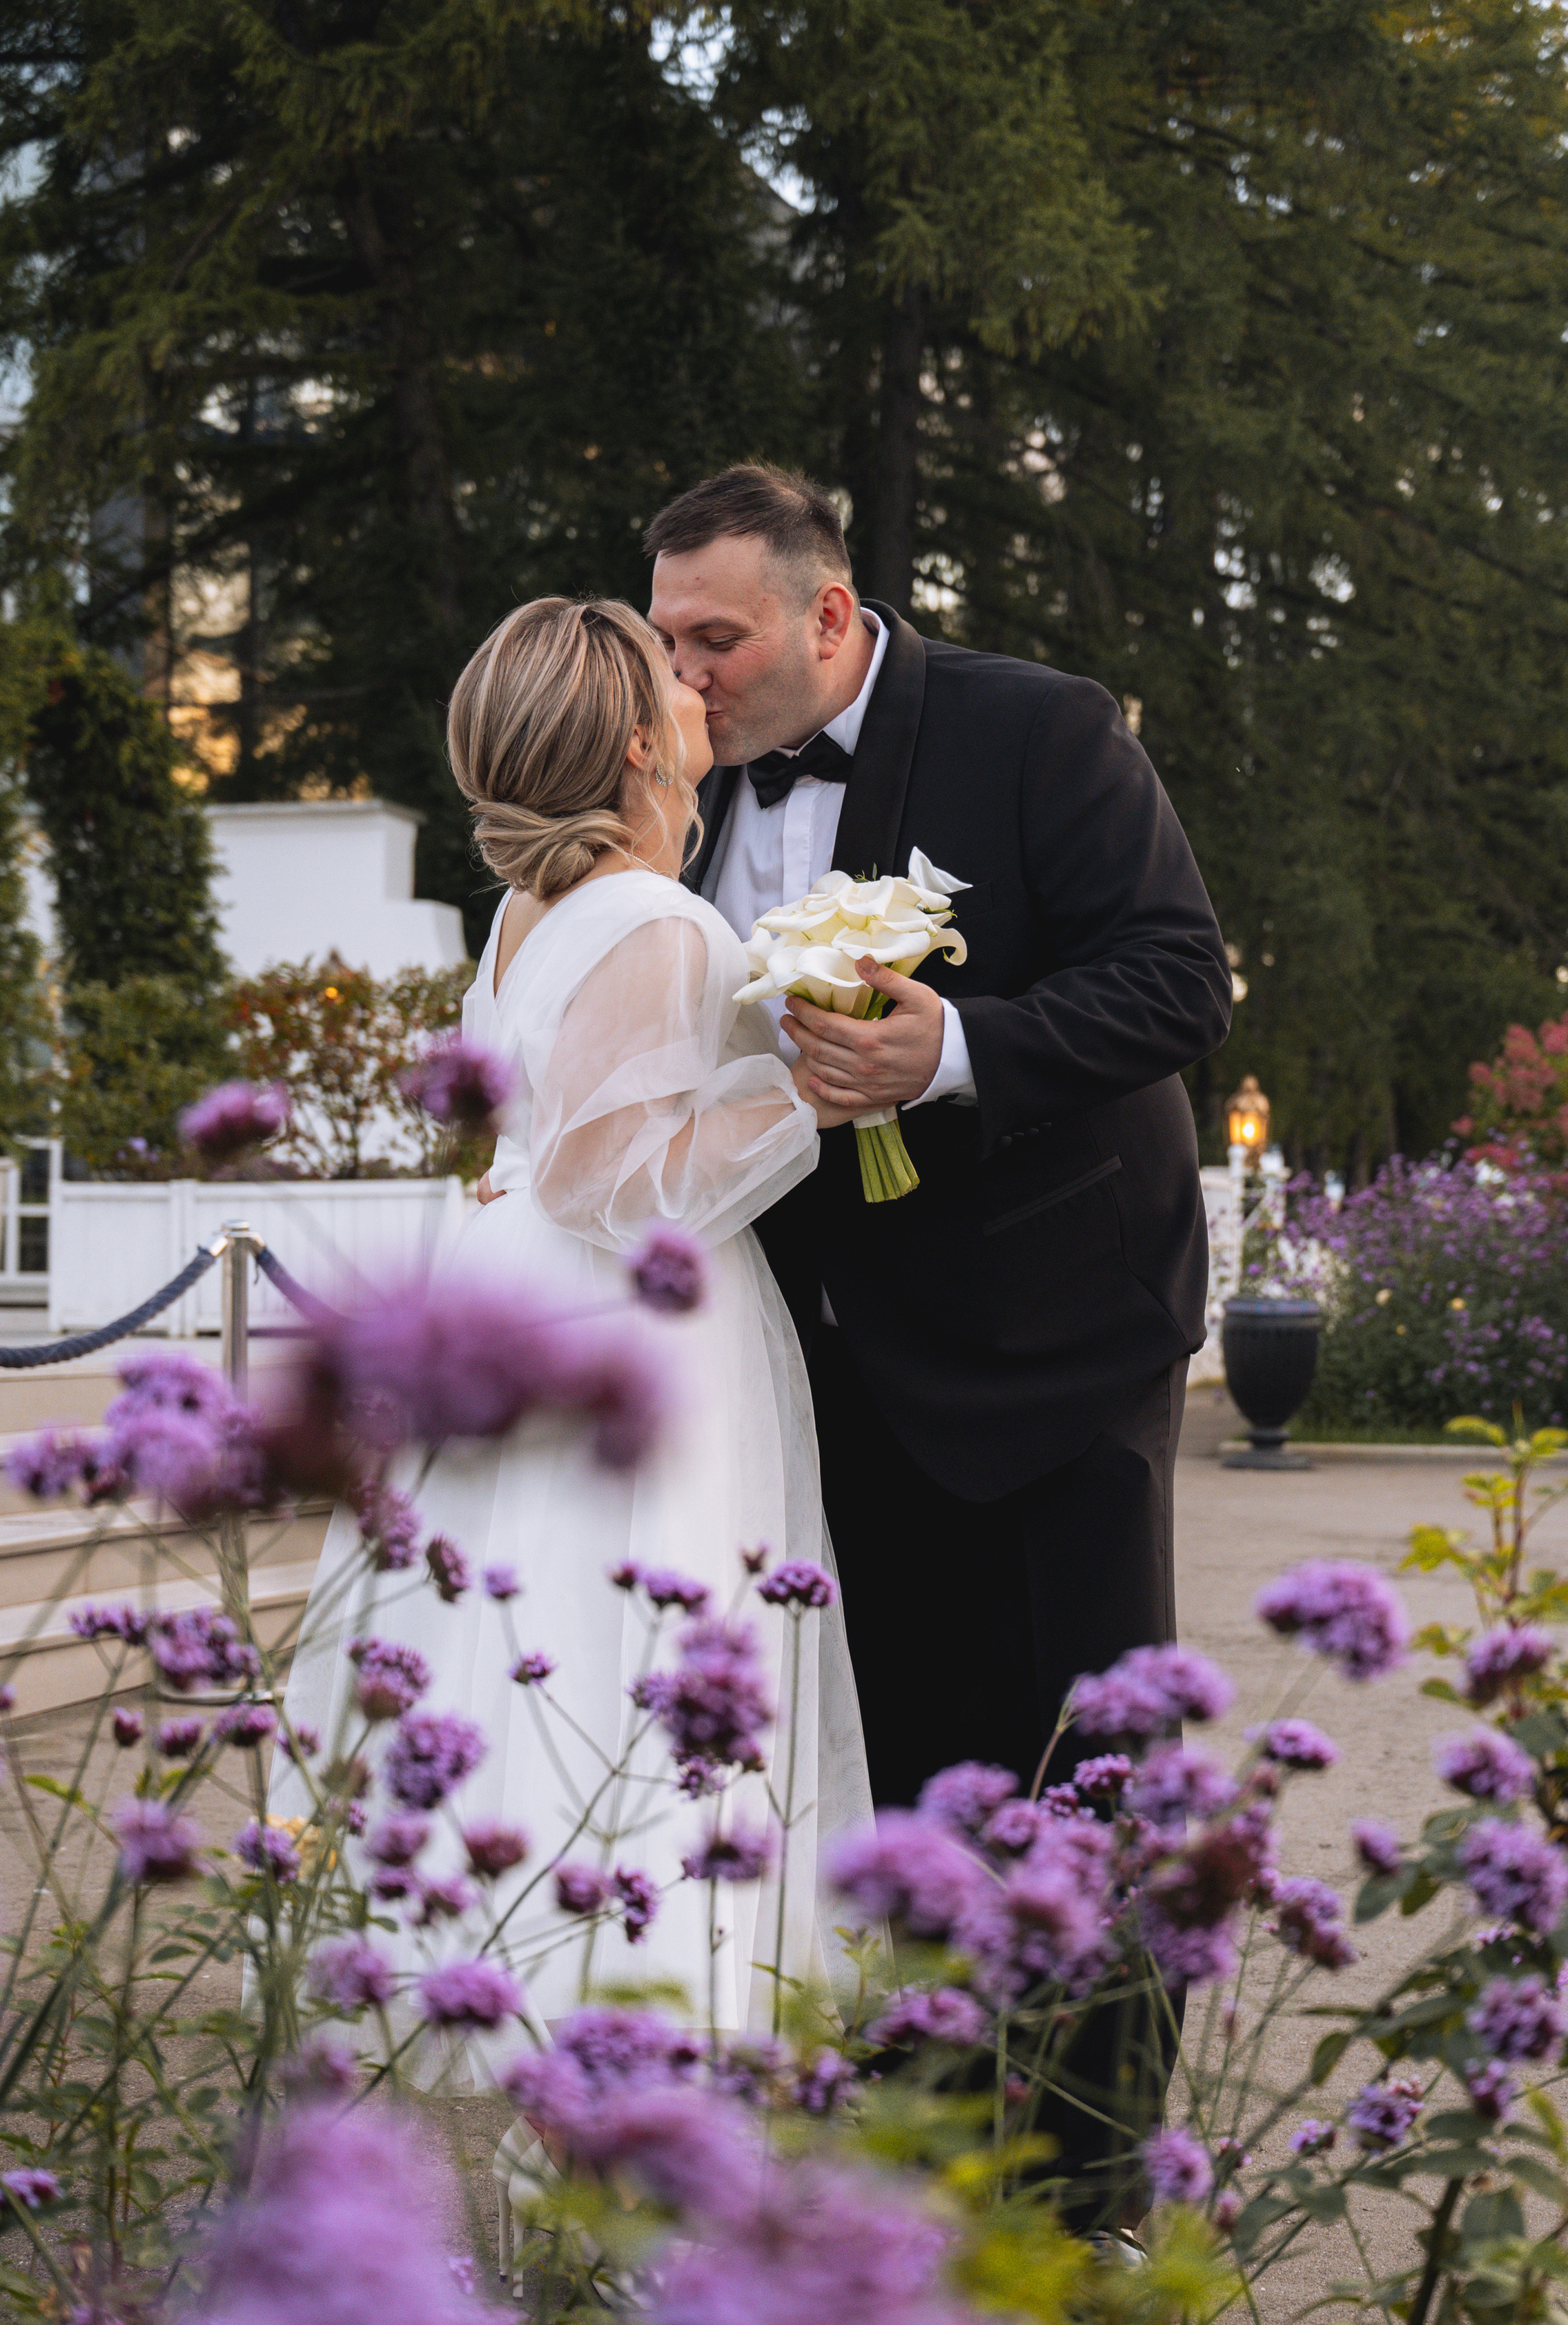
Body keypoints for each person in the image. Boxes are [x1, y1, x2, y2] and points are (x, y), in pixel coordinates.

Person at [646, 465, 1234, 2218]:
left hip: (1064, 1345)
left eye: (715, 640)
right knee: (883, 1782)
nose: (681, 679)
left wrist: (953, 1052)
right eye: (665, 639)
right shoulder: (664, 784)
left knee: (1088, 1779)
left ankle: (1088, 2206)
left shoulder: (1037, 731)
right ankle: (909, 2194)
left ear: (828, 618)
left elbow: (1173, 978)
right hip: (826, 1375)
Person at [282, 596, 869, 2047]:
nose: (691, 682)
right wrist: (818, 1085)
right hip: (638, 1329)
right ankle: (650, 2017)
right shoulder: (653, 917)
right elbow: (617, 1181)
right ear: (629, 742)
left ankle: (544, 1985)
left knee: (549, 1636)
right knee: (644, 1652)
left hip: (526, 1310)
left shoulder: (522, 917)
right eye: (665, 671)